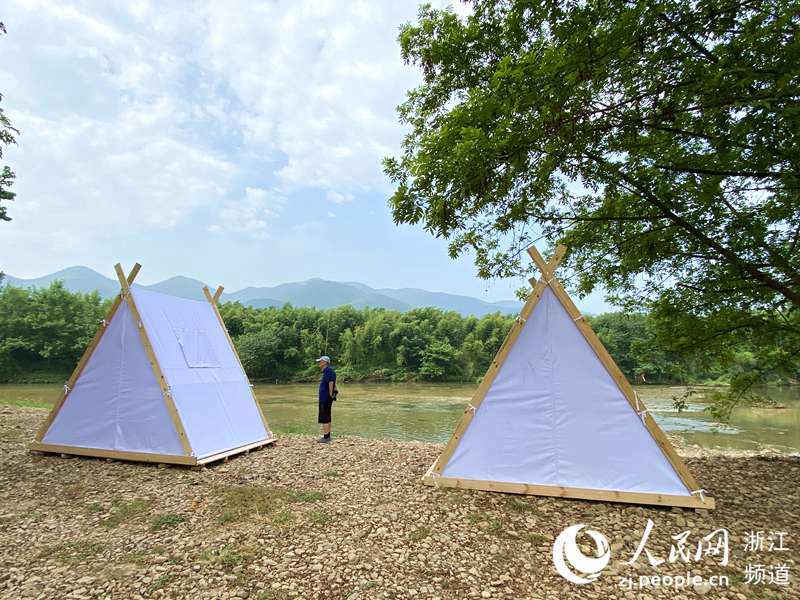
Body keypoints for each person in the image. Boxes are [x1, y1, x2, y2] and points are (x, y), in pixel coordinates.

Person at [315, 355, 336, 443]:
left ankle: (326, 437)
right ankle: (328, 436)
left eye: (320, 361)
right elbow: (332, 382)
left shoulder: (328, 371)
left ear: (325, 362)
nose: (319, 363)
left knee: (324, 417)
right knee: (327, 416)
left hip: (325, 398)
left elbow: (331, 382)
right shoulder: (330, 371)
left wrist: (330, 394)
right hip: (326, 398)